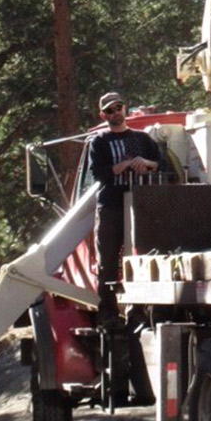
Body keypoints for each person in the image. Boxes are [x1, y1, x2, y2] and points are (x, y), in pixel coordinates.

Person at [88, 92, 161, 321]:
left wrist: (146, 164)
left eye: (118, 107)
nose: (115, 113)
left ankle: (138, 309)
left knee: (141, 257)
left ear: (124, 108)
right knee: (108, 260)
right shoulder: (99, 141)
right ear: (103, 115)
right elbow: (97, 173)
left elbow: (162, 164)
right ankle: (108, 311)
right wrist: (122, 166)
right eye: (109, 110)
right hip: (110, 205)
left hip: (141, 207)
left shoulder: (142, 139)